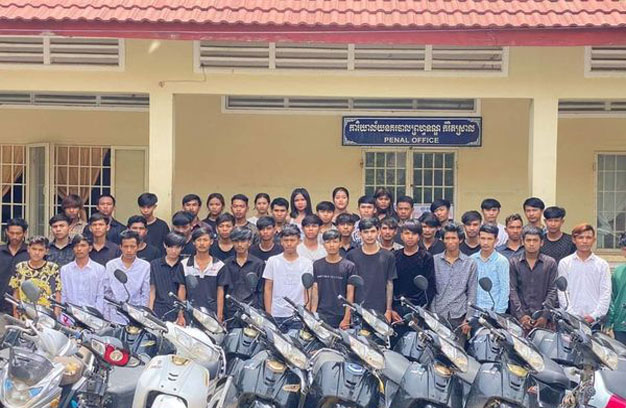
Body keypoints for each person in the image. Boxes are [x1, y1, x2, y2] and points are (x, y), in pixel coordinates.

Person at [430, 223, 477, 345]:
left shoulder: (470, 263)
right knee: (438, 350)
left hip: (459, 316)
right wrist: (433, 315)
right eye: (447, 238)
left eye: (453, 238)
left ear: (460, 240)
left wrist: (468, 319)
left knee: (458, 352)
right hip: (438, 314)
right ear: (442, 240)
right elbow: (431, 289)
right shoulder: (434, 261)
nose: (450, 241)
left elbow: (472, 292)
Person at [558, 224, 611, 324]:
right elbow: (562, 292)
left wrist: (595, 316)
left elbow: (606, 293)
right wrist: (572, 315)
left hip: (595, 321)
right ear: (574, 240)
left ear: (594, 240)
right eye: (581, 237)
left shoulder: (602, 265)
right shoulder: (565, 263)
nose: (585, 241)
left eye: (588, 237)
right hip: (571, 320)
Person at [263, 224, 313, 331]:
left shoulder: (307, 263)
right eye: (286, 240)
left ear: (299, 241)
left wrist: (306, 315)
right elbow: (268, 288)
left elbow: (308, 290)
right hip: (277, 313)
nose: (289, 243)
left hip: (298, 315)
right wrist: (269, 314)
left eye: (292, 240)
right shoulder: (273, 261)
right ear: (281, 241)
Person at [346, 218, 397, 322]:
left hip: (381, 310)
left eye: (373, 231)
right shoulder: (352, 255)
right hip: (358, 310)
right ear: (359, 234)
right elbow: (350, 286)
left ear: (378, 232)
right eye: (366, 232)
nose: (369, 235)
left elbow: (389, 283)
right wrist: (348, 313)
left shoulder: (388, 256)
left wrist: (388, 309)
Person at [509, 226, 558, 331]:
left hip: (544, 321)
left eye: (535, 240)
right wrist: (521, 315)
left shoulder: (550, 263)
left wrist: (544, 316)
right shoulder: (514, 262)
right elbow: (512, 290)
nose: (531, 244)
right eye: (528, 240)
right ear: (523, 242)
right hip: (519, 320)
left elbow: (552, 290)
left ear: (541, 242)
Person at [217, 228, 264, 324]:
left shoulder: (259, 264)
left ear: (249, 242)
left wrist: (259, 312)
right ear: (232, 243)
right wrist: (221, 313)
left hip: (252, 312)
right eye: (236, 241)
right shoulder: (226, 264)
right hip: (231, 312)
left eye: (243, 241)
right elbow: (222, 289)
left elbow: (261, 291)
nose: (239, 244)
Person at [103, 230, 151, 324]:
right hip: (115, 315)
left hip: (136, 315)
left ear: (138, 247)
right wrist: (107, 316)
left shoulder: (145, 266)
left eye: (132, 246)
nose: (129, 250)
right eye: (125, 246)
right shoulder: (111, 265)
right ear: (120, 247)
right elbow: (106, 292)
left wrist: (142, 316)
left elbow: (145, 293)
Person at [311, 229, 356, 329]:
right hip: (321, 314)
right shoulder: (317, 265)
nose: (331, 245)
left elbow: (350, 294)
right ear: (323, 244)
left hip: (340, 315)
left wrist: (347, 318)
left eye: (335, 242)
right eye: (328, 242)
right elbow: (315, 291)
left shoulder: (349, 266)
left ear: (340, 243)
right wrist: (313, 314)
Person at [392, 221, 436, 321]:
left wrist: (421, 311)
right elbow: (390, 284)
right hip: (397, 307)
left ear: (419, 236)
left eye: (414, 234)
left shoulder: (426, 257)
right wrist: (392, 309)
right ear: (401, 236)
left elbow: (430, 287)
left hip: (418, 308)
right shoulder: (394, 256)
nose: (410, 237)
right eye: (407, 233)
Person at [10, 236, 61, 316]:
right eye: (34, 249)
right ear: (28, 249)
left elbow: (58, 292)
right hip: (24, 314)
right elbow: (16, 292)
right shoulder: (20, 267)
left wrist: (56, 314)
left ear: (46, 251)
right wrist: (15, 313)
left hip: (46, 316)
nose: (37, 253)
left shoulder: (53, 268)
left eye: (40, 250)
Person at [182, 227, 224, 313]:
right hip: (190, 312)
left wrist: (219, 315)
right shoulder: (184, 264)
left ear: (211, 241)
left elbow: (220, 291)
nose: (202, 243)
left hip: (212, 313)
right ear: (193, 242)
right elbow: (182, 289)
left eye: (205, 240)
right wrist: (180, 313)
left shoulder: (219, 265)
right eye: (198, 240)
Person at [60, 234, 106, 314]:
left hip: (92, 315)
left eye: (83, 245)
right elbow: (63, 295)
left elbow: (100, 296)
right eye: (76, 246)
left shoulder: (99, 269)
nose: (79, 249)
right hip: (70, 314)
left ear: (90, 248)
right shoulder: (65, 270)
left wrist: (97, 315)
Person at [149, 232, 186, 324]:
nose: (173, 251)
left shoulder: (185, 264)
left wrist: (181, 314)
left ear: (182, 248)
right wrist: (150, 311)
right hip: (159, 310)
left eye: (177, 247)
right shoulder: (154, 264)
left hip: (180, 311)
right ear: (165, 245)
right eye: (170, 247)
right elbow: (152, 290)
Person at [472, 224, 510, 313]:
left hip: (494, 311)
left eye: (489, 239)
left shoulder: (501, 261)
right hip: (474, 310)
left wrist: (499, 313)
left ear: (496, 240)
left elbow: (504, 289)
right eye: (483, 238)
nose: (485, 242)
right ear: (478, 239)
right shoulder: (472, 259)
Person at [0, 218, 29, 312]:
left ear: (25, 233)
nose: (14, 236)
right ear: (6, 232)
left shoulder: (30, 253)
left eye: (18, 233)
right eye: (11, 233)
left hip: (24, 306)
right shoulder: (0, 251)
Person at [608, 233, 626, 345]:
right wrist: (608, 323)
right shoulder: (618, 272)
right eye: (624, 249)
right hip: (620, 326)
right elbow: (612, 298)